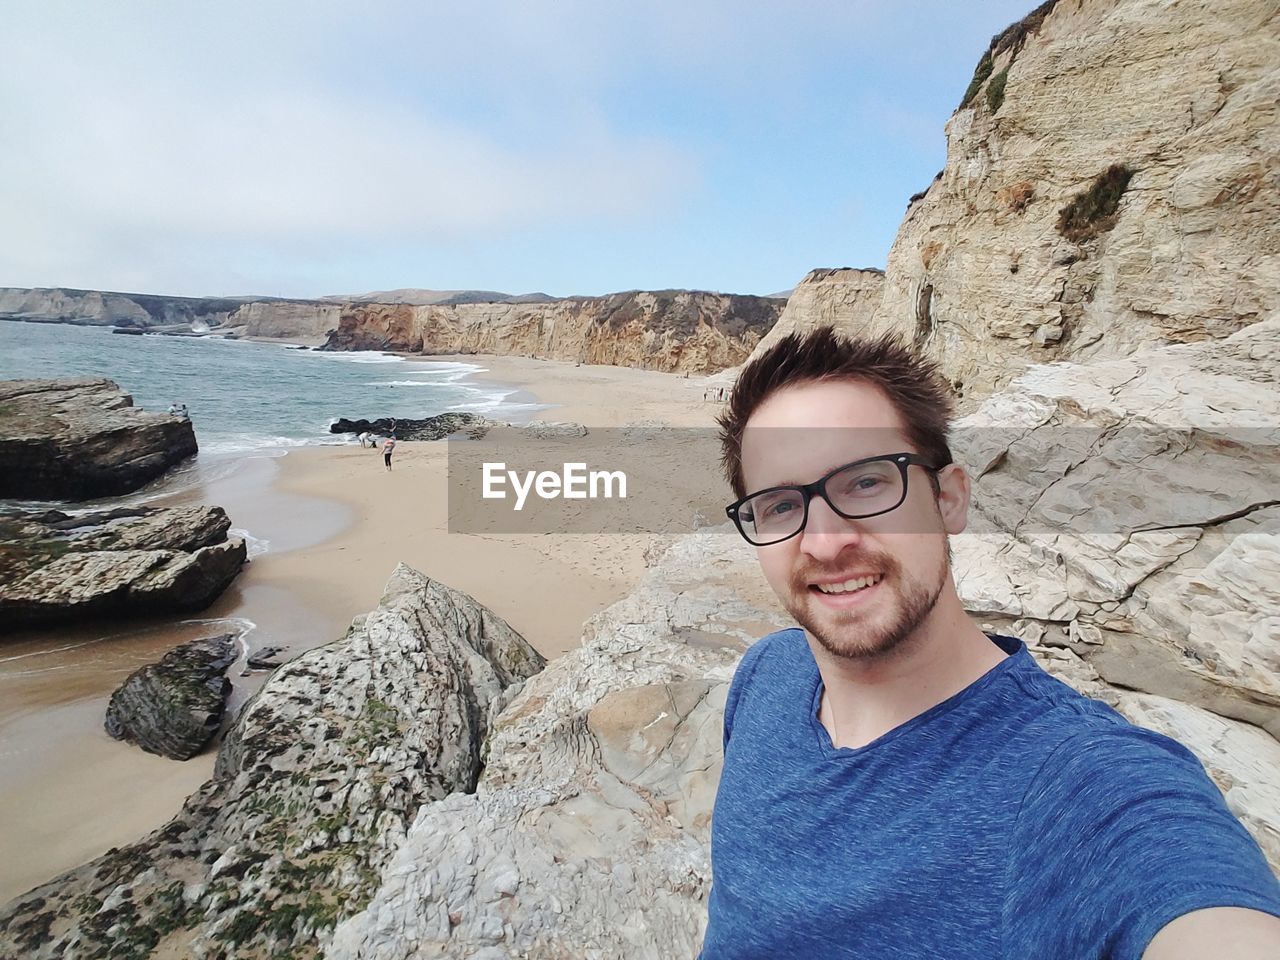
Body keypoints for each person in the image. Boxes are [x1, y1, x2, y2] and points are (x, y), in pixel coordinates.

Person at [700, 326, 1280, 959]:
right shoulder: (767, 674)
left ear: (948, 498)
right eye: (781, 505)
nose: (825, 541)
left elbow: (1195, 904)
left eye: (866, 483)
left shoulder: (1078, 781)